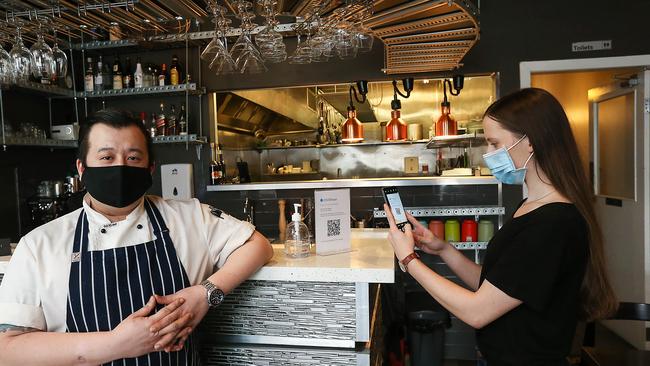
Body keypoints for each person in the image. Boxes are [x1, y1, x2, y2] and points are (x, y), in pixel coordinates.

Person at [0, 109, 274, 365]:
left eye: (133, 158)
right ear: (82, 168)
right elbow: (7, 349)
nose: (120, 167)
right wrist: (115, 344)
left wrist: (206, 294)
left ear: (150, 168)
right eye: (106, 157)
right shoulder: (40, 245)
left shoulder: (190, 217)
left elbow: (257, 245)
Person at [384, 88, 617, 365]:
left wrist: (408, 259)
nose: (488, 154)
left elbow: (477, 310)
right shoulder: (531, 207)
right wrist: (444, 249)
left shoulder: (553, 224)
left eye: (494, 144)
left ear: (529, 142)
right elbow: (497, 286)